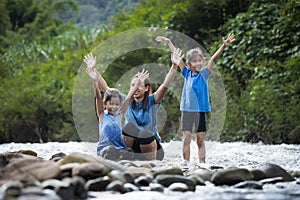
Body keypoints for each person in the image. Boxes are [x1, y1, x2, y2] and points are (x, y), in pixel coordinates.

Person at [84, 48, 183, 160]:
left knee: (144, 133)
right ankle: (127, 158)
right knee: (128, 128)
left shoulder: (152, 100)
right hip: (133, 147)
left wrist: (174, 66)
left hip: (151, 146)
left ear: (146, 88)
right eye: (133, 85)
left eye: (139, 85)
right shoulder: (125, 101)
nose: (136, 88)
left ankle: (151, 163)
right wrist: (94, 70)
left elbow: (165, 85)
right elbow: (106, 89)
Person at [156, 33, 235, 163]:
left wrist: (223, 46)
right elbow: (177, 58)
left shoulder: (204, 73)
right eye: (195, 61)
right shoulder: (186, 73)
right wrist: (169, 42)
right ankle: (186, 164)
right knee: (186, 138)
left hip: (200, 111)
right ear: (189, 63)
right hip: (187, 110)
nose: (198, 63)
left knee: (200, 139)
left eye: (200, 60)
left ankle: (202, 164)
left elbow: (213, 59)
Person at [83, 53, 149, 160]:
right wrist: (94, 80)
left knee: (129, 152)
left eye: (117, 104)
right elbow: (98, 96)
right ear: (105, 104)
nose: (114, 106)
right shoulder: (102, 115)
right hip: (105, 149)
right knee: (110, 150)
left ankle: (122, 158)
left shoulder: (119, 114)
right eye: (111, 104)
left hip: (119, 148)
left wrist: (138, 83)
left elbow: (128, 98)